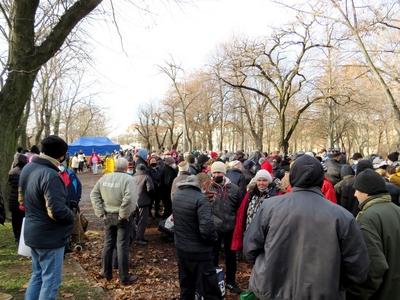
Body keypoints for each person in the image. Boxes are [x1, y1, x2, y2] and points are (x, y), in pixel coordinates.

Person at [243, 155, 369, 300]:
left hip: (272, 289)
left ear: (292, 178)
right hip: (316, 292)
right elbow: (358, 269)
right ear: (322, 180)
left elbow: (250, 248)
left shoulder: (269, 207)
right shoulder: (342, 217)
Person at [19, 135, 75, 300]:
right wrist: (71, 216)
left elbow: (21, 201)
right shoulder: (50, 175)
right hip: (49, 237)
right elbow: (56, 211)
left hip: (32, 231)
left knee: (37, 275)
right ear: (61, 155)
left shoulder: (28, 168)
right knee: (50, 281)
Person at [348, 169, 400, 299]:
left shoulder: (366, 218)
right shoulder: (397, 210)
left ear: (366, 191)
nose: (355, 194)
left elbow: (373, 266)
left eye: (357, 190)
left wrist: (357, 294)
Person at [90, 158, 138, 285]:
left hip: (108, 215)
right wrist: (123, 214)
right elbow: (129, 199)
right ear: (126, 166)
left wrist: (100, 212)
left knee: (108, 243)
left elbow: (94, 194)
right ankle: (124, 277)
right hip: (122, 216)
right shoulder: (128, 179)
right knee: (122, 246)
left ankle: (106, 272)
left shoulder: (104, 178)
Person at [173, 175, 218, 299]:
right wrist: (214, 239)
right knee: (209, 289)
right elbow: (207, 229)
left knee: (187, 286)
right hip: (200, 252)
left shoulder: (177, 195)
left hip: (182, 249)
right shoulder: (200, 199)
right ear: (203, 184)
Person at [204, 161, 242, 294]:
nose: (216, 175)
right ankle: (214, 282)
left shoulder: (235, 189)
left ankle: (231, 281)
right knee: (213, 256)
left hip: (230, 228)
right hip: (214, 228)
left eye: (219, 172)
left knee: (231, 257)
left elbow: (239, 208)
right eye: (214, 172)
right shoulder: (207, 187)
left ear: (224, 173)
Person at [231, 169, 277, 252]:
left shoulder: (274, 196)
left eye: (264, 180)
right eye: (259, 180)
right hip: (250, 232)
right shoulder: (251, 194)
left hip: (265, 235)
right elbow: (242, 213)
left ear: (269, 181)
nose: (261, 183)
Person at [7, 154, 28, 243]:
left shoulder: (12, 172)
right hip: (23, 199)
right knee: (23, 218)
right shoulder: (26, 172)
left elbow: (10, 184)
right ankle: (22, 235)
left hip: (13, 199)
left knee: (15, 219)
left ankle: (16, 235)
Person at [132, 164, 154, 245]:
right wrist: (151, 197)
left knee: (135, 220)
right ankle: (139, 238)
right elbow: (150, 189)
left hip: (134, 202)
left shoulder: (132, 177)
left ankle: (134, 236)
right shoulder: (146, 177)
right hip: (143, 202)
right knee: (142, 221)